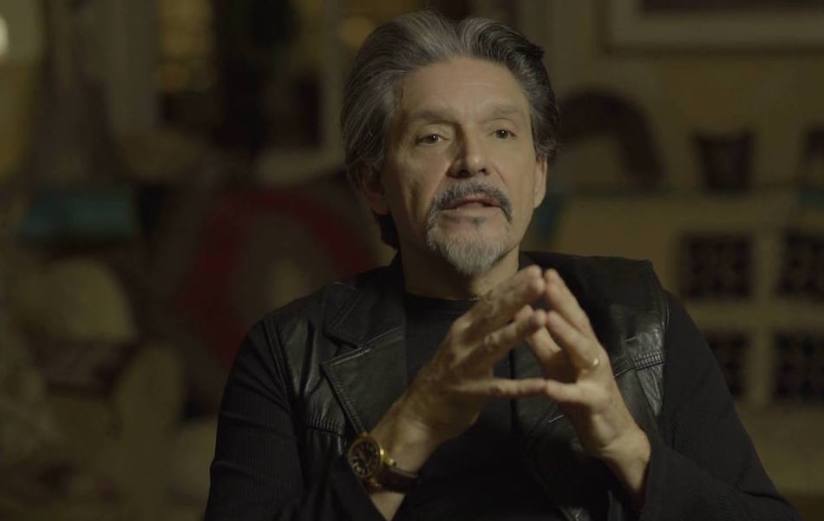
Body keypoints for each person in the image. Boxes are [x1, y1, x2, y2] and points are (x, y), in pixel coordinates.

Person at [205, 10, 800, 521]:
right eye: (432, 137)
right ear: (373, 184)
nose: (473, 160)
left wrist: (626, 445)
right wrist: (413, 425)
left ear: (538, 175)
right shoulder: (288, 352)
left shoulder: (641, 320)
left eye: (502, 132)